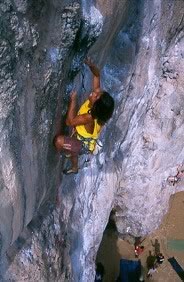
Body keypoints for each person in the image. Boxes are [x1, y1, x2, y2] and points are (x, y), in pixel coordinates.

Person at [54, 58, 114, 174]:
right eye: (98, 93)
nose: (94, 93)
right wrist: (91, 65)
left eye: (96, 96)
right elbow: (97, 75)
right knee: (74, 145)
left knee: (59, 141)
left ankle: (72, 160)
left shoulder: (89, 118)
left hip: (84, 145)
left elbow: (69, 122)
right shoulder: (97, 106)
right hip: (83, 137)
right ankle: (74, 159)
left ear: (96, 108)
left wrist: (73, 100)